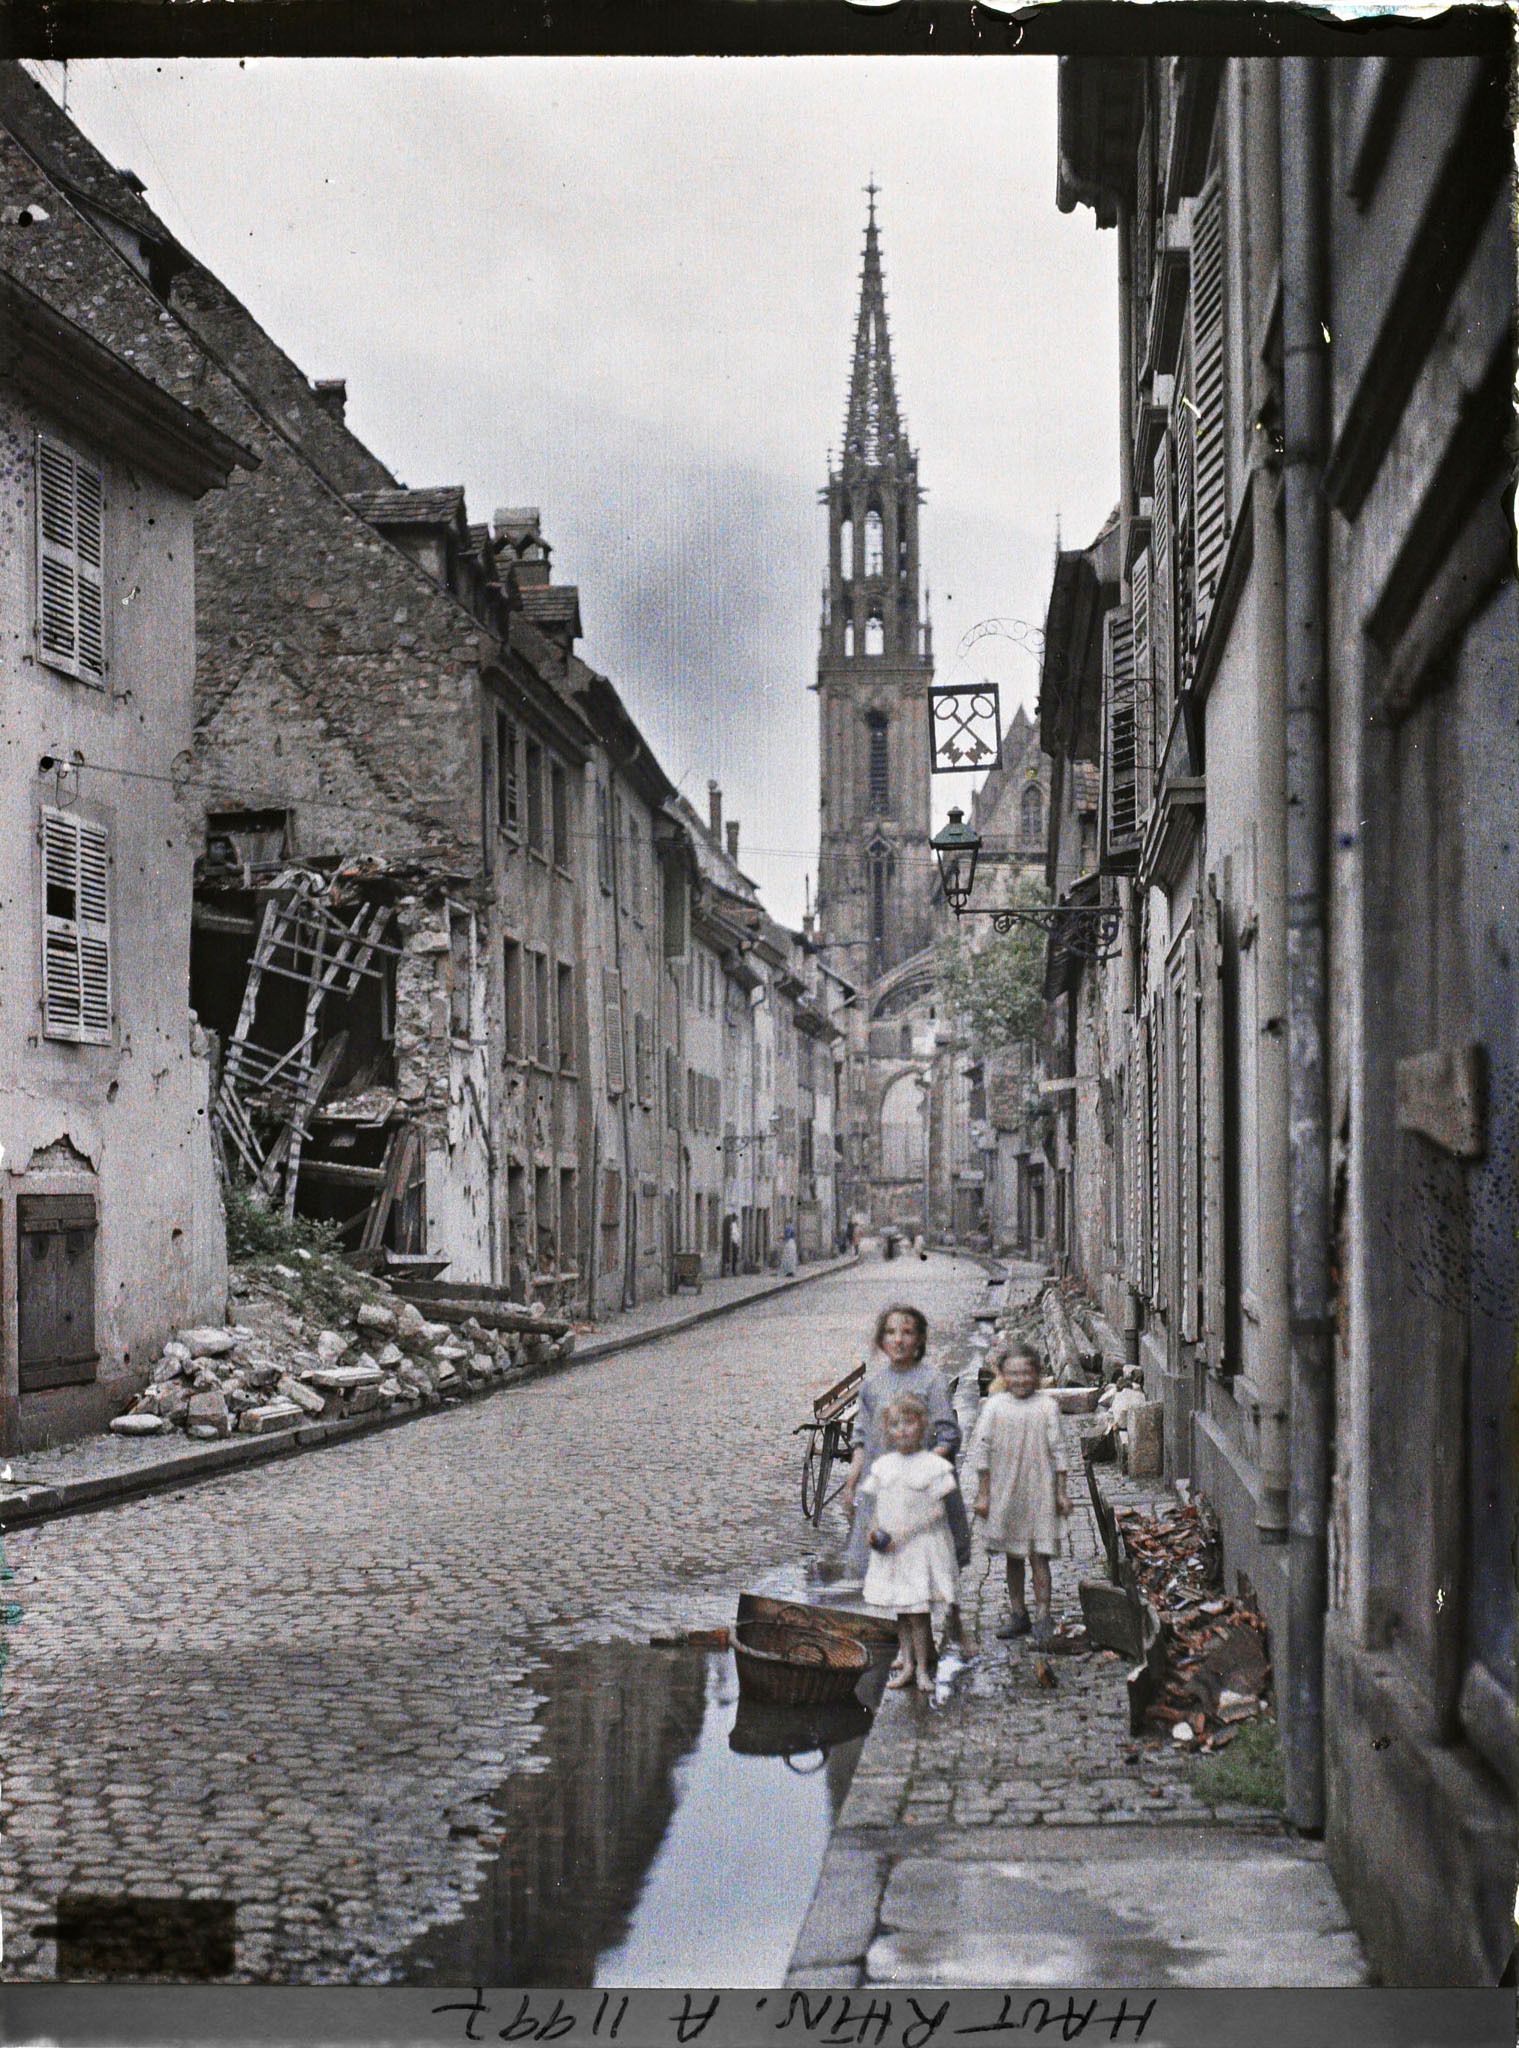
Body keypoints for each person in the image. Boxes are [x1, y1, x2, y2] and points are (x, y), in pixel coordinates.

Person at [965, 1342, 1071, 1647]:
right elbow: (982, 1452)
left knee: (1040, 1557)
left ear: (1037, 1374)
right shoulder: (995, 1406)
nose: (1020, 1380)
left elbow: (1059, 1453)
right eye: (1013, 1374)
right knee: (1014, 1557)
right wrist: (984, 1494)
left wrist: (1061, 1493)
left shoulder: (1047, 1406)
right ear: (1003, 1376)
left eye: (1026, 1374)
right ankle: (1018, 1612)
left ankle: (1043, 1614)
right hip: (1007, 1491)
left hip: (1040, 1490)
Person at [858, 1394, 960, 1691]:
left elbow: (937, 1510)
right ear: (887, 1430)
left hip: (917, 1548)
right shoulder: (884, 1465)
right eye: (895, 1425)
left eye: (909, 1423)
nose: (902, 1430)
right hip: (891, 1551)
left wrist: (902, 1534)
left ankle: (924, 1670)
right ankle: (907, 1663)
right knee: (901, 1612)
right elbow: (875, 1505)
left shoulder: (931, 1465)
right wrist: (874, 1530)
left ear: (923, 1426)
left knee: (918, 1613)